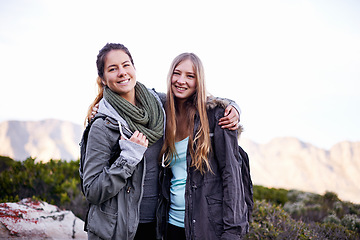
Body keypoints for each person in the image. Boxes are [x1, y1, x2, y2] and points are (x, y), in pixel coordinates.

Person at [82, 43, 241, 240]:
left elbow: (199, 99)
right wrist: (128, 157)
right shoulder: (103, 125)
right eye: (112, 69)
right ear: (103, 79)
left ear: (134, 68)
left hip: (158, 225)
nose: (122, 73)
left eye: (126, 65)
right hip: (119, 228)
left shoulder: (157, 107)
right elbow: (92, 191)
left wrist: (233, 107)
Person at [158, 53, 249, 240]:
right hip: (171, 224)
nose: (181, 81)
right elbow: (136, 94)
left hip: (206, 226)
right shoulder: (163, 113)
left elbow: (231, 175)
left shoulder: (217, 115)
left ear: (199, 80)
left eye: (190, 76)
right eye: (177, 73)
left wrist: (233, 231)